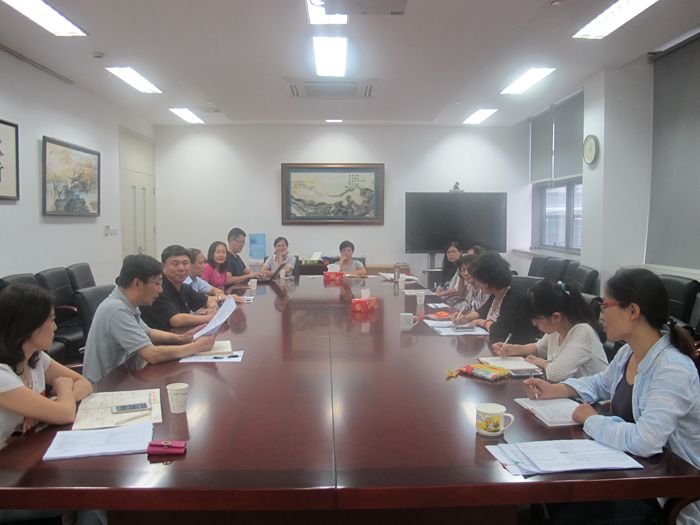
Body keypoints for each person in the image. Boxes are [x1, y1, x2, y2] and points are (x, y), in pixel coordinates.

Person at [524, 268, 700, 525]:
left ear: (633, 311)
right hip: (630, 471)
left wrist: (591, 420)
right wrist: (558, 389)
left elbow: (647, 441)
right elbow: (600, 383)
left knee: (564, 510)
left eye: (605, 306)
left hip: (665, 494)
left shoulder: (672, 369)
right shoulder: (628, 353)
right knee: (549, 494)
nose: (600, 315)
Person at [83, 254, 216, 383]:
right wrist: (198, 346)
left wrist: (182, 338)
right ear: (137, 284)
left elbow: (149, 332)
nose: (160, 290)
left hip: (124, 376)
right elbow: (152, 354)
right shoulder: (116, 309)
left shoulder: (127, 303)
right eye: (157, 284)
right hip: (105, 386)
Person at [0, 284, 92, 448]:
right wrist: (63, 388)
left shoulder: (35, 356)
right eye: (51, 319)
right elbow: (66, 414)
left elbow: (85, 384)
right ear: (29, 325)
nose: (55, 327)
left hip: (23, 447)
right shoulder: (2, 375)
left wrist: (49, 407)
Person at [493, 279, 608, 382]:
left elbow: (556, 374)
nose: (534, 324)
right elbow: (538, 348)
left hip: (591, 398)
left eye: (537, 320)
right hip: (567, 392)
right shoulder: (557, 328)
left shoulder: (582, 332)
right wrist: (514, 349)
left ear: (556, 317)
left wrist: (542, 362)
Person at [458, 251, 540, 345]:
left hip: (515, 349)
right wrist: (464, 318)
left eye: (479, 280)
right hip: (496, 346)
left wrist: (482, 322)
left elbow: (500, 331)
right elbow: (481, 312)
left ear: (489, 280)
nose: (477, 283)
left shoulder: (514, 298)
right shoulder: (495, 295)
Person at [140, 245, 218, 331]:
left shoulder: (184, 287)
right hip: (158, 338)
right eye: (175, 264)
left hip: (180, 335)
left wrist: (212, 308)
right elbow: (177, 320)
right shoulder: (158, 289)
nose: (181, 268)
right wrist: (210, 317)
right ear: (163, 266)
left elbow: (208, 300)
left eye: (185, 263)